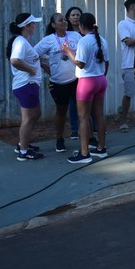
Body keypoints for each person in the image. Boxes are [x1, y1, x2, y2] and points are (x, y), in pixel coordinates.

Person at [63, 12, 109, 164]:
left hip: (87, 82)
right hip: (101, 80)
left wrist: (68, 51)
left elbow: (80, 63)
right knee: (99, 115)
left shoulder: (84, 41)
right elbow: (106, 63)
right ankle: (102, 149)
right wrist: (100, 75)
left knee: (83, 118)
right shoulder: (102, 40)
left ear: (82, 26)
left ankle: (84, 153)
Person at [35, 13, 81, 153]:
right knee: (61, 111)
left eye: (65, 20)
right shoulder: (48, 40)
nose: (64, 22)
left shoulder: (75, 36)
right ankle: (59, 139)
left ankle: (88, 138)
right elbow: (33, 54)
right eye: (60, 20)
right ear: (54, 25)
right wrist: (45, 67)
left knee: (83, 111)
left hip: (77, 80)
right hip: (58, 82)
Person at [7, 13, 44, 161]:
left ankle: (24, 143)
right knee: (27, 120)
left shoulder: (24, 41)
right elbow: (15, 60)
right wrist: (31, 70)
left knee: (36, 115)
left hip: (30, 85)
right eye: (33, 23)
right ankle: (23, 152)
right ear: (27, 26)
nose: (35, 26)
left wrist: (42, 66)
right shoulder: (20, 42)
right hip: (26, 85)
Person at [117, 0, 135, 132]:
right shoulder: (123, 24)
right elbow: (128, 41)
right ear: (132, 7)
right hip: (129, 64)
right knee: (129, 93)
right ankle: (123, 121)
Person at [64, 6, 84, 140]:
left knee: (88, 101)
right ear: (68, 18)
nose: (76, 17)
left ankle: (92, 127)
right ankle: (75, 129)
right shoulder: (66, 34)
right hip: (70, 72)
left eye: (78, 15)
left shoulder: (86, 33)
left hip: (84, 72)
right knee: (73, 101)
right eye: (73, 15)